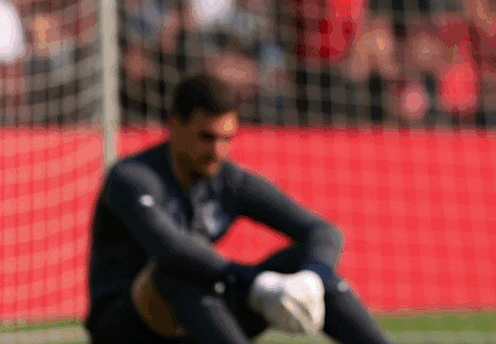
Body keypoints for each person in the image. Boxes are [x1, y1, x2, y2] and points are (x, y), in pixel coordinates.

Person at [84, 74, 391, 344]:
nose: (217, 151)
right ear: (175, 126)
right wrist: (255, 281)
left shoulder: (229, 180)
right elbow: (169, 248)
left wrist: (313, 278)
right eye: (206, 137)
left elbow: (321, 230)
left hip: (196, 320)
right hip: (127, 328)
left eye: (226, 139)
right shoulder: (131, 178)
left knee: (303, 263)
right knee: (175, 270)